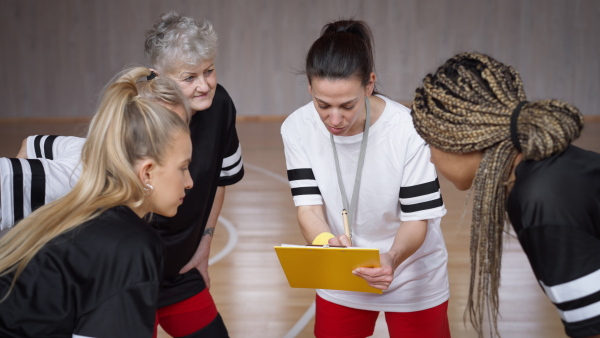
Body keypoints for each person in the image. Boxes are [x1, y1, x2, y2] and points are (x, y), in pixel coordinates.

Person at [411, 52, 600, 338]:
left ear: (462, 140)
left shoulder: (542, 200)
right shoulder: (540, 173)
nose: (431, 160)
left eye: (430, 144)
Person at [281, 19, 450, 338]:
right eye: (322, 104)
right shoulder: (297, 127)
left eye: (347, 105)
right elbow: (309, 209)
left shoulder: (407, 130)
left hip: (411, 269)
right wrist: (325, 243)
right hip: (343, 270)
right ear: (309, 88)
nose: (334, 119)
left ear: (369, 84)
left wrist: (392, 258)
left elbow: (418, 219)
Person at [0, 67, 193, 337]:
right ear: (147, 171)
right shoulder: (129, 243)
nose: (190, 182)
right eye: (183, 168)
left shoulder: (81, 209)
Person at [144, 12, 244, 337]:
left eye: (209, 71)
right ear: (158, 77)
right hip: (131, 270)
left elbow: (220, 180)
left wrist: (203, 246)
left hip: (181, 267)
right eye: (189, 77)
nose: (204, 85)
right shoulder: (137, 117)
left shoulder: (221, 105)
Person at [0, 69, 190, 231]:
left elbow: (30, 144)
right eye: (167, 125)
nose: (178, 134)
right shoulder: (76, 179)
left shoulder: (87, 148)